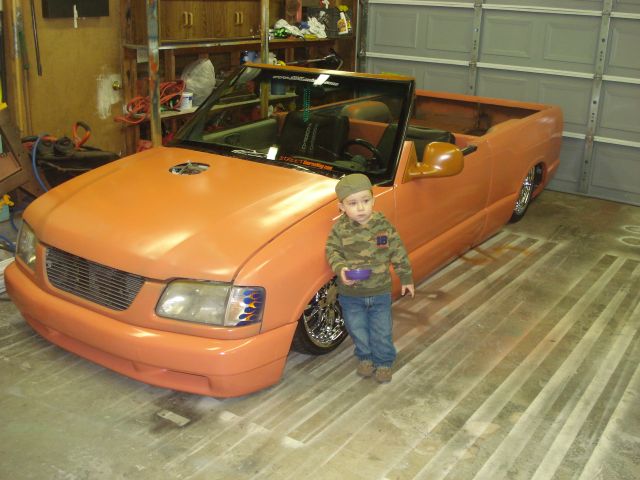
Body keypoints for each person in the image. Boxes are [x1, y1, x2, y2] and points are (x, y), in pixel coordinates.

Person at [325, 174, 414, 383]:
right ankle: (365, 357)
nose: (361, 208)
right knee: (357, 329)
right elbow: (332, 251)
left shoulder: (383, 225)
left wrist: (406, 278)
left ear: (373, 200)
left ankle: (384, 362)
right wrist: (341, 269)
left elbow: (398, 251)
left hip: (380, 291)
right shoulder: (339, 229)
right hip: (351, 294)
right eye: (353, 203)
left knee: (382, 330)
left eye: (365, 200)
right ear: (342, 207)